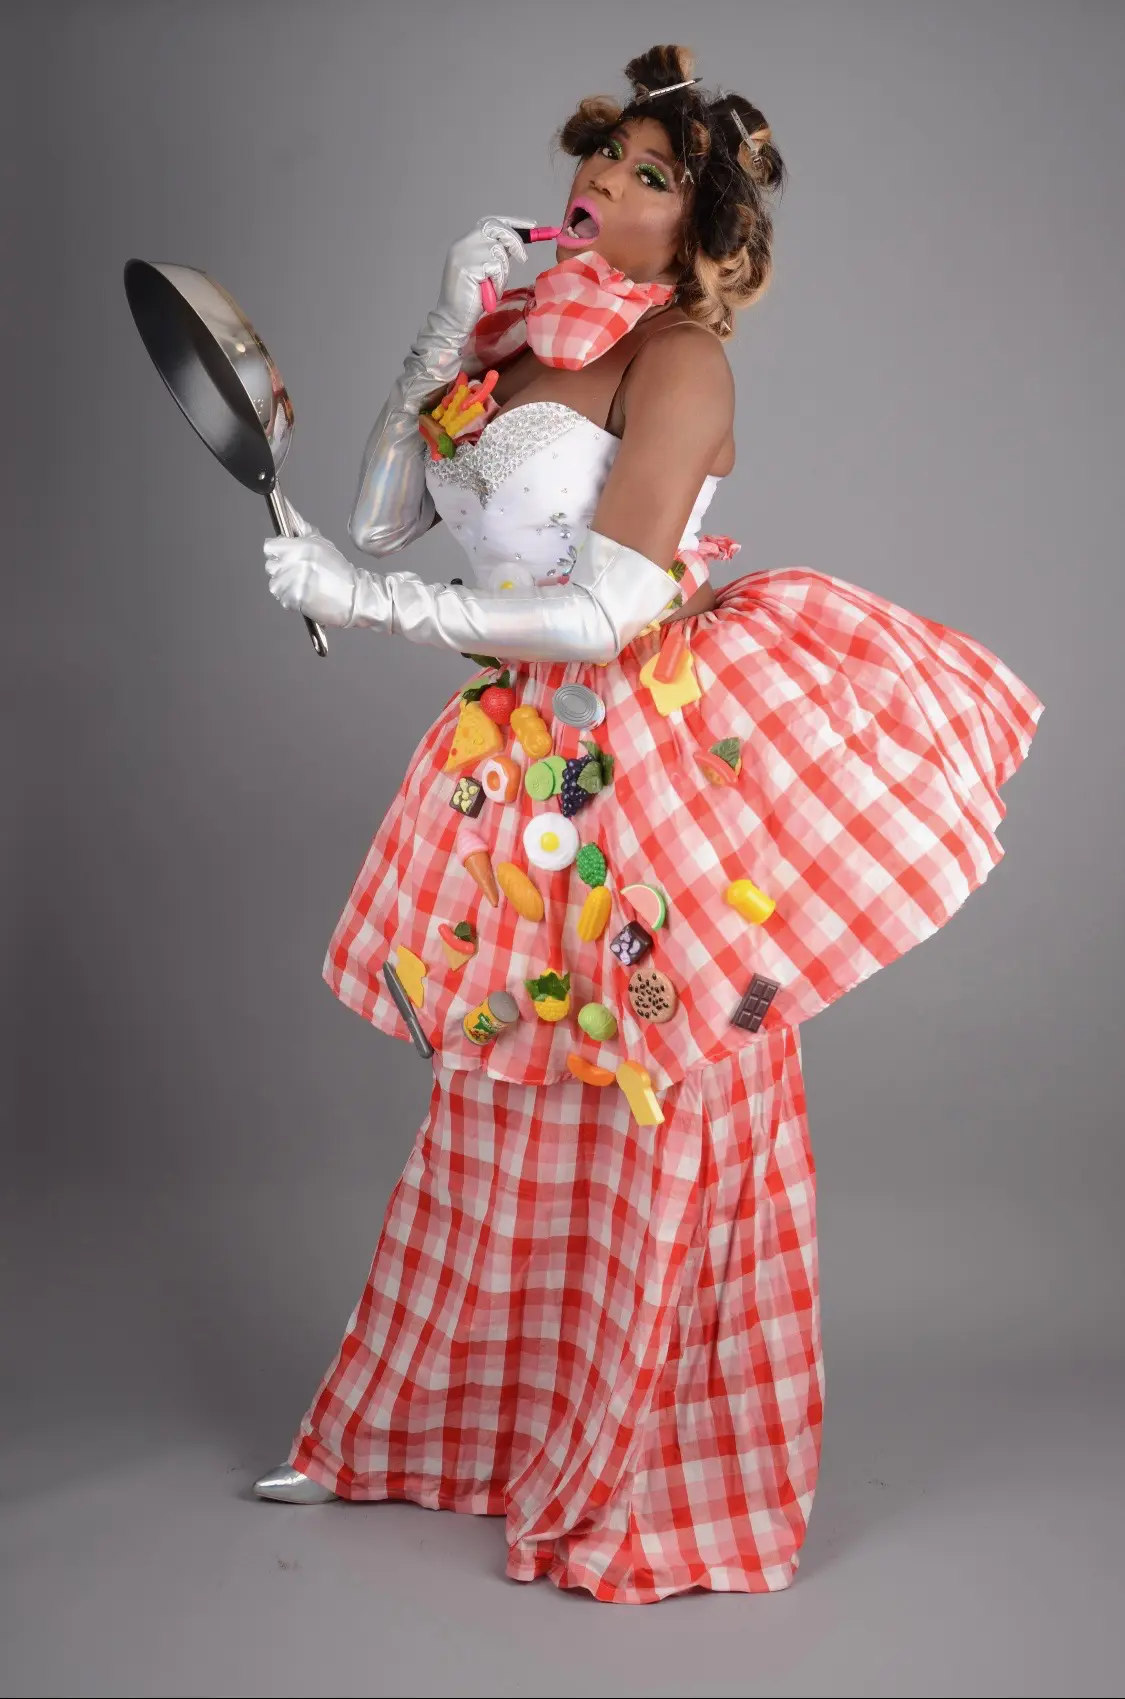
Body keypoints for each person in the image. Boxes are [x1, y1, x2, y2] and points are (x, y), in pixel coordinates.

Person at [253, 45, 1043, 1603]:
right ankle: (444, 1431)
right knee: (506, 1086)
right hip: (524, 766)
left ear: (704, 229)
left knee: (669, 1085)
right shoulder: (511, 338)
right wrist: (436, 329)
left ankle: (652, 1456)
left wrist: (369, 607)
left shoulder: (680, 361)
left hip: (646, 761)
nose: (604, 187)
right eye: (603, 159)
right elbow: (379, 511)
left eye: (649, 177)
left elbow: (605, 607)